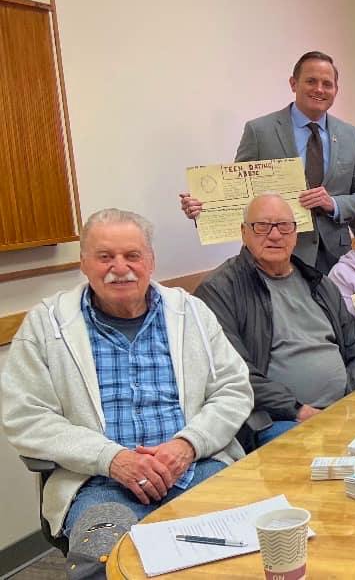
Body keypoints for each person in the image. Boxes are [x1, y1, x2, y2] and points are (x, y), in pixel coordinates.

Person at [1, 209, 253, 546]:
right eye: (105, 257)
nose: (120, 268)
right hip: (99, 484)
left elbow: (233, 389)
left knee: (243, 545)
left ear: (151, 261)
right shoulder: (47, 324)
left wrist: (187, 445)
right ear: (83, 263)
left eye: (132, 255)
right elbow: (26, 416)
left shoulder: (191, 313)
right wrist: (112, 459)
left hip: (196, 469)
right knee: (104, 558)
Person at [194, 194, 355, 447]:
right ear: (244, 232)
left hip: (346, 407)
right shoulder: (219, 290)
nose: (275, 235)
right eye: (262, 226)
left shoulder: (320, 283)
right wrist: (297, 410)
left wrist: (348, 398)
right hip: (277, 419)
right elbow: (234, 372)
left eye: (284, 226)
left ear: (295, 233)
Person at [179, 51, 355, 274]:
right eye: (311, 81)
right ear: (293, 83)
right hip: (273, 254)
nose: (319, 89)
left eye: (327, 84)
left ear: (336, 90)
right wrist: (205, 208)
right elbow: (239, 193)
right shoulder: (259, 131)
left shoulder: (351, 135)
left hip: (335, 260)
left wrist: (333, 203)